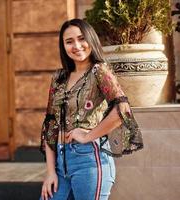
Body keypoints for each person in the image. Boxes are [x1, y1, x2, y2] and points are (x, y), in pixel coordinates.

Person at [39, 18, 143, 200]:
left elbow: (122, 110)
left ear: (91, 39)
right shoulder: (58, 78)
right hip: (60, 163)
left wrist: (88, 136)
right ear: (63, 46)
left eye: (81, 39)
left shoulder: (99, 71)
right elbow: (50, 126)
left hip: (90, 161)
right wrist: (50, 172)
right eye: (69, 41)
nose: (77, 46)